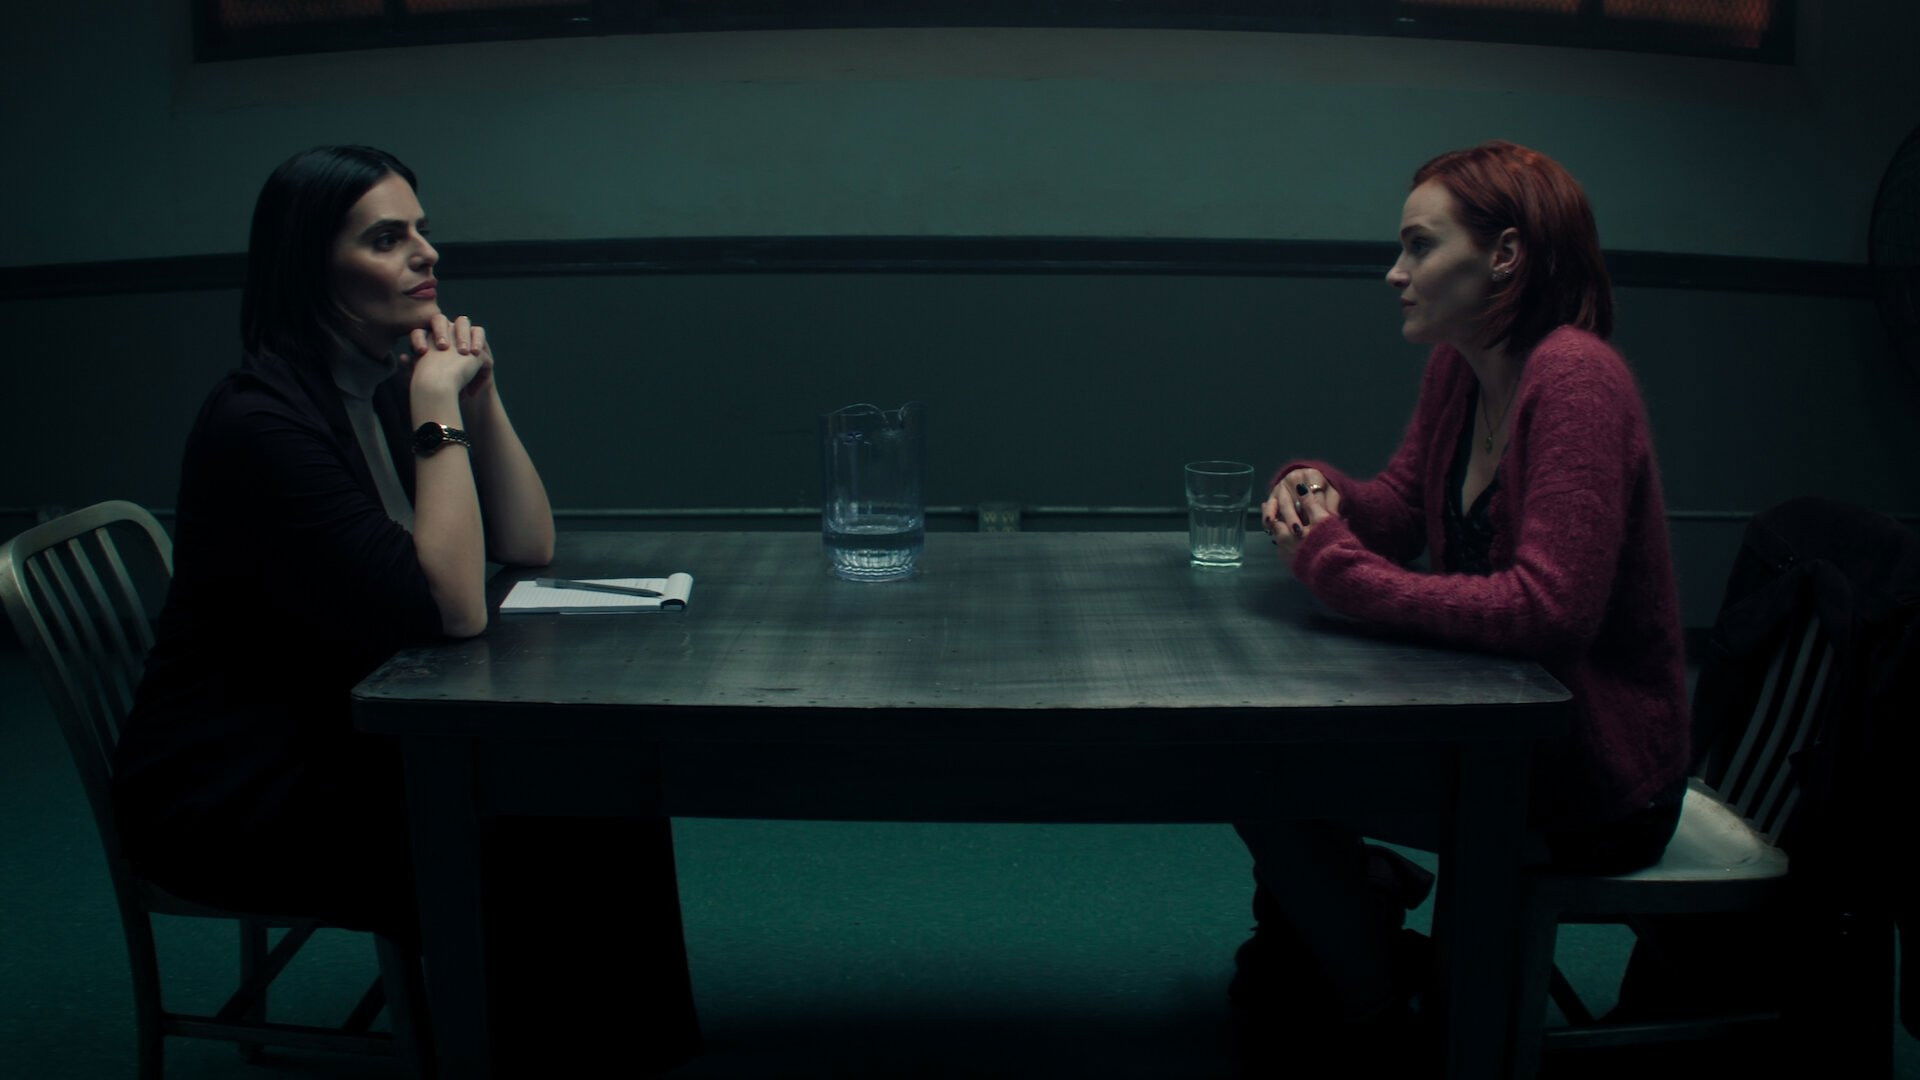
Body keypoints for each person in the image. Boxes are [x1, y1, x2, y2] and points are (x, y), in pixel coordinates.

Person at [111, 146, 696, 1072]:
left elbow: (529, 544)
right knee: (535, 813)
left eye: (421, 230)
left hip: (342, 726)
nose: (427, 253)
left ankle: (618, 1049)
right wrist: (435, 405)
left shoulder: (377, 388)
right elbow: (455, 607)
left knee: (600, 780)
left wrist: (480, 398)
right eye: (387, 239)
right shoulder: (259, 423)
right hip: (241, 785)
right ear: (309, 267)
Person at [1234, 141, 1690, 1054]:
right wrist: (1318, 488)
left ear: (1505, 255)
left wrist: (1340, 572)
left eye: (1419, 245)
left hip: (1590, 770)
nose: (1395, 272)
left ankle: (1376, 1005)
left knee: (1266, 773)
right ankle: (1368, 950)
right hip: (1498, 729)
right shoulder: (1462, 367)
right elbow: (1400, 512)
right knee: (1255, 756)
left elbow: (1550, 610)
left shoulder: (1577, 380)